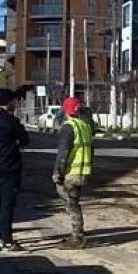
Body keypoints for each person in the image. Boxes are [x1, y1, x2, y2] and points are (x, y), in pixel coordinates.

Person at [53, 96, 93, 249]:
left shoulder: (68, 127)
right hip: (82, 171)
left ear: (65, 111)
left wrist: (58, 173)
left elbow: (63, 153)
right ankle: (77, 234)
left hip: (71, 173)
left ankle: (77, 237)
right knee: (73, 202)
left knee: (71, 204)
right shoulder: (85, 126)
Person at [0, 89, 29, 252]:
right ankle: (6, 240)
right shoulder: (11, 122)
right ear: (8, 102)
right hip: (9, 169)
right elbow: (25, 140)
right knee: (6, 205)